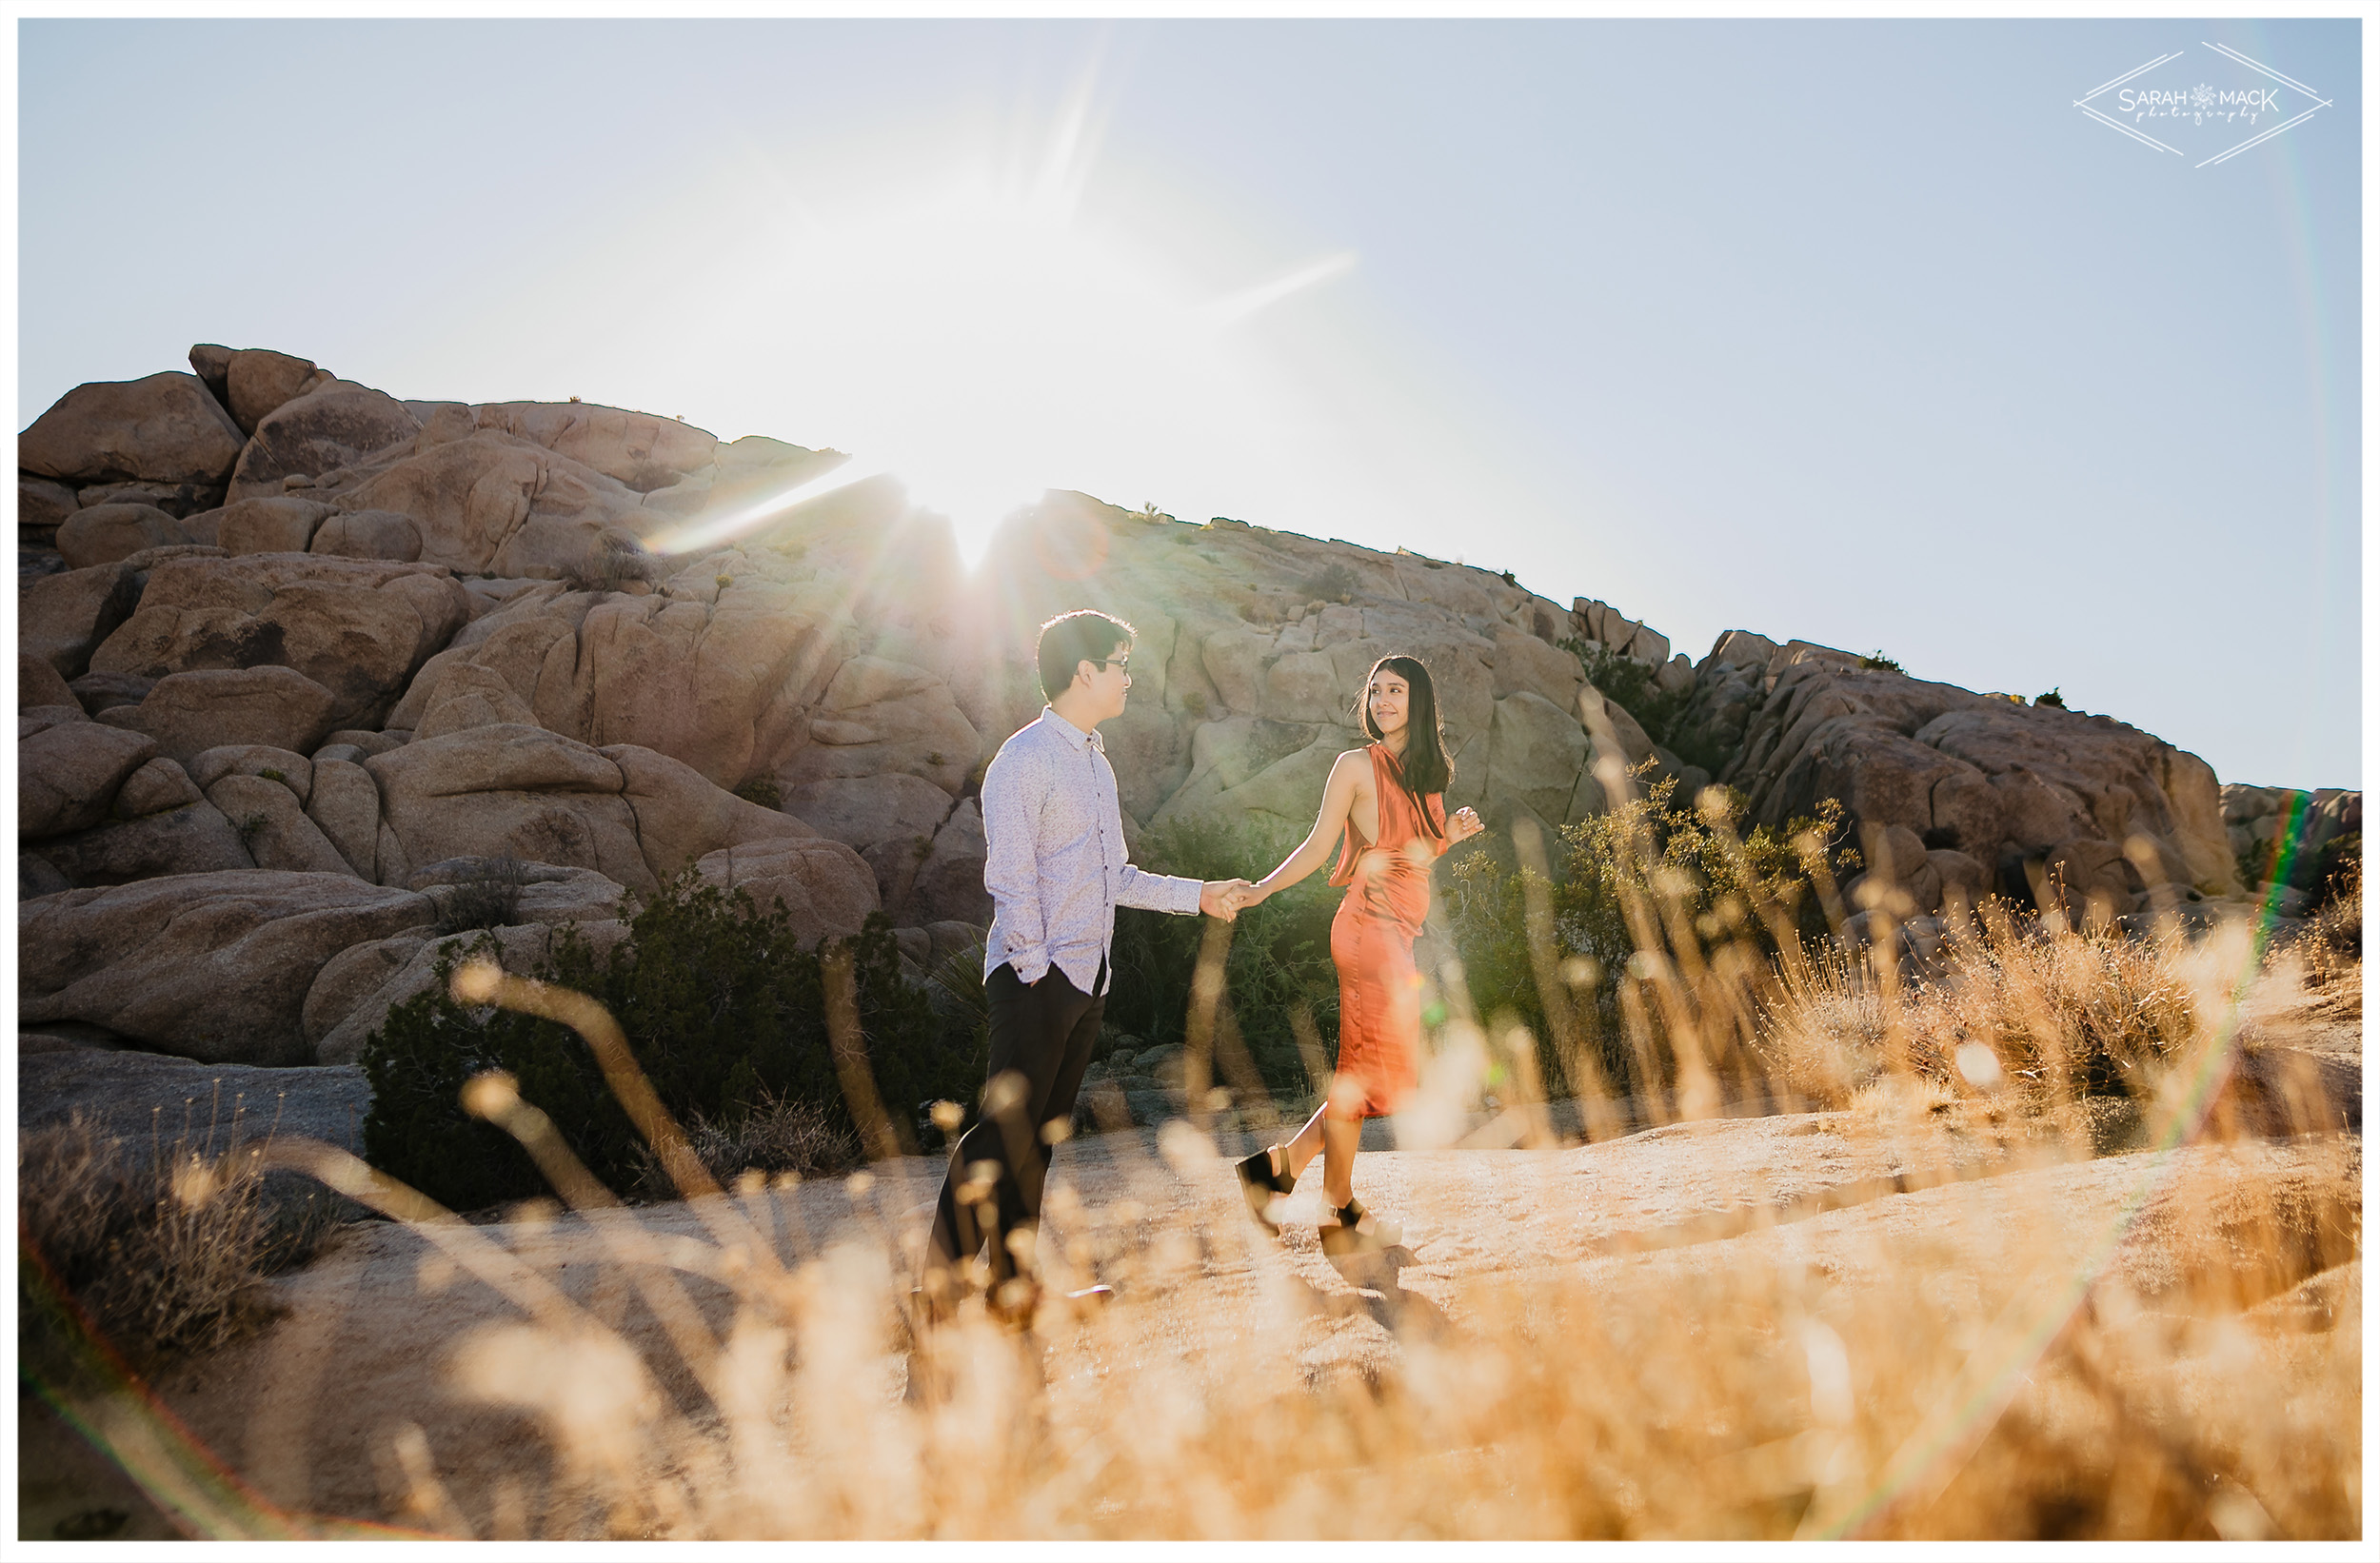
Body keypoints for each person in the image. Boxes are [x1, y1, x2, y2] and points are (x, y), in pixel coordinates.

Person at [920, 609, 1249, 1320]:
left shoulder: (1096, 760)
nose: (1130, 676)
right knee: (998, 1137)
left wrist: (1201, 897)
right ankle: (937, 1298)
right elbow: (1010, 879)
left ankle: (1013, 1293)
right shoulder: (1022, 759)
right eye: (1121, 663)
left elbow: (1118, 877)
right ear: (1085, 672)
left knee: (1037, 1142)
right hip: (1035, 982)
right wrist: (1040, 973)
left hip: (1086, 981)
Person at [1228, 655, 1484, 1254]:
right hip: (1367, 929)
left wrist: (1454, 835)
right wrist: (1264, 887)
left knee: (1374, 1073)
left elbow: (1411, 856)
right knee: (1361, 1071)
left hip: (1399, 932)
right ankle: (1334, 1209)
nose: (1382, 701)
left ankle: (1278, 1174)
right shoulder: (1353, 766)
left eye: (1395, 691)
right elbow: (1320, 845)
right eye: (1375, 691)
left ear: (1419, 703)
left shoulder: (1429, 773)